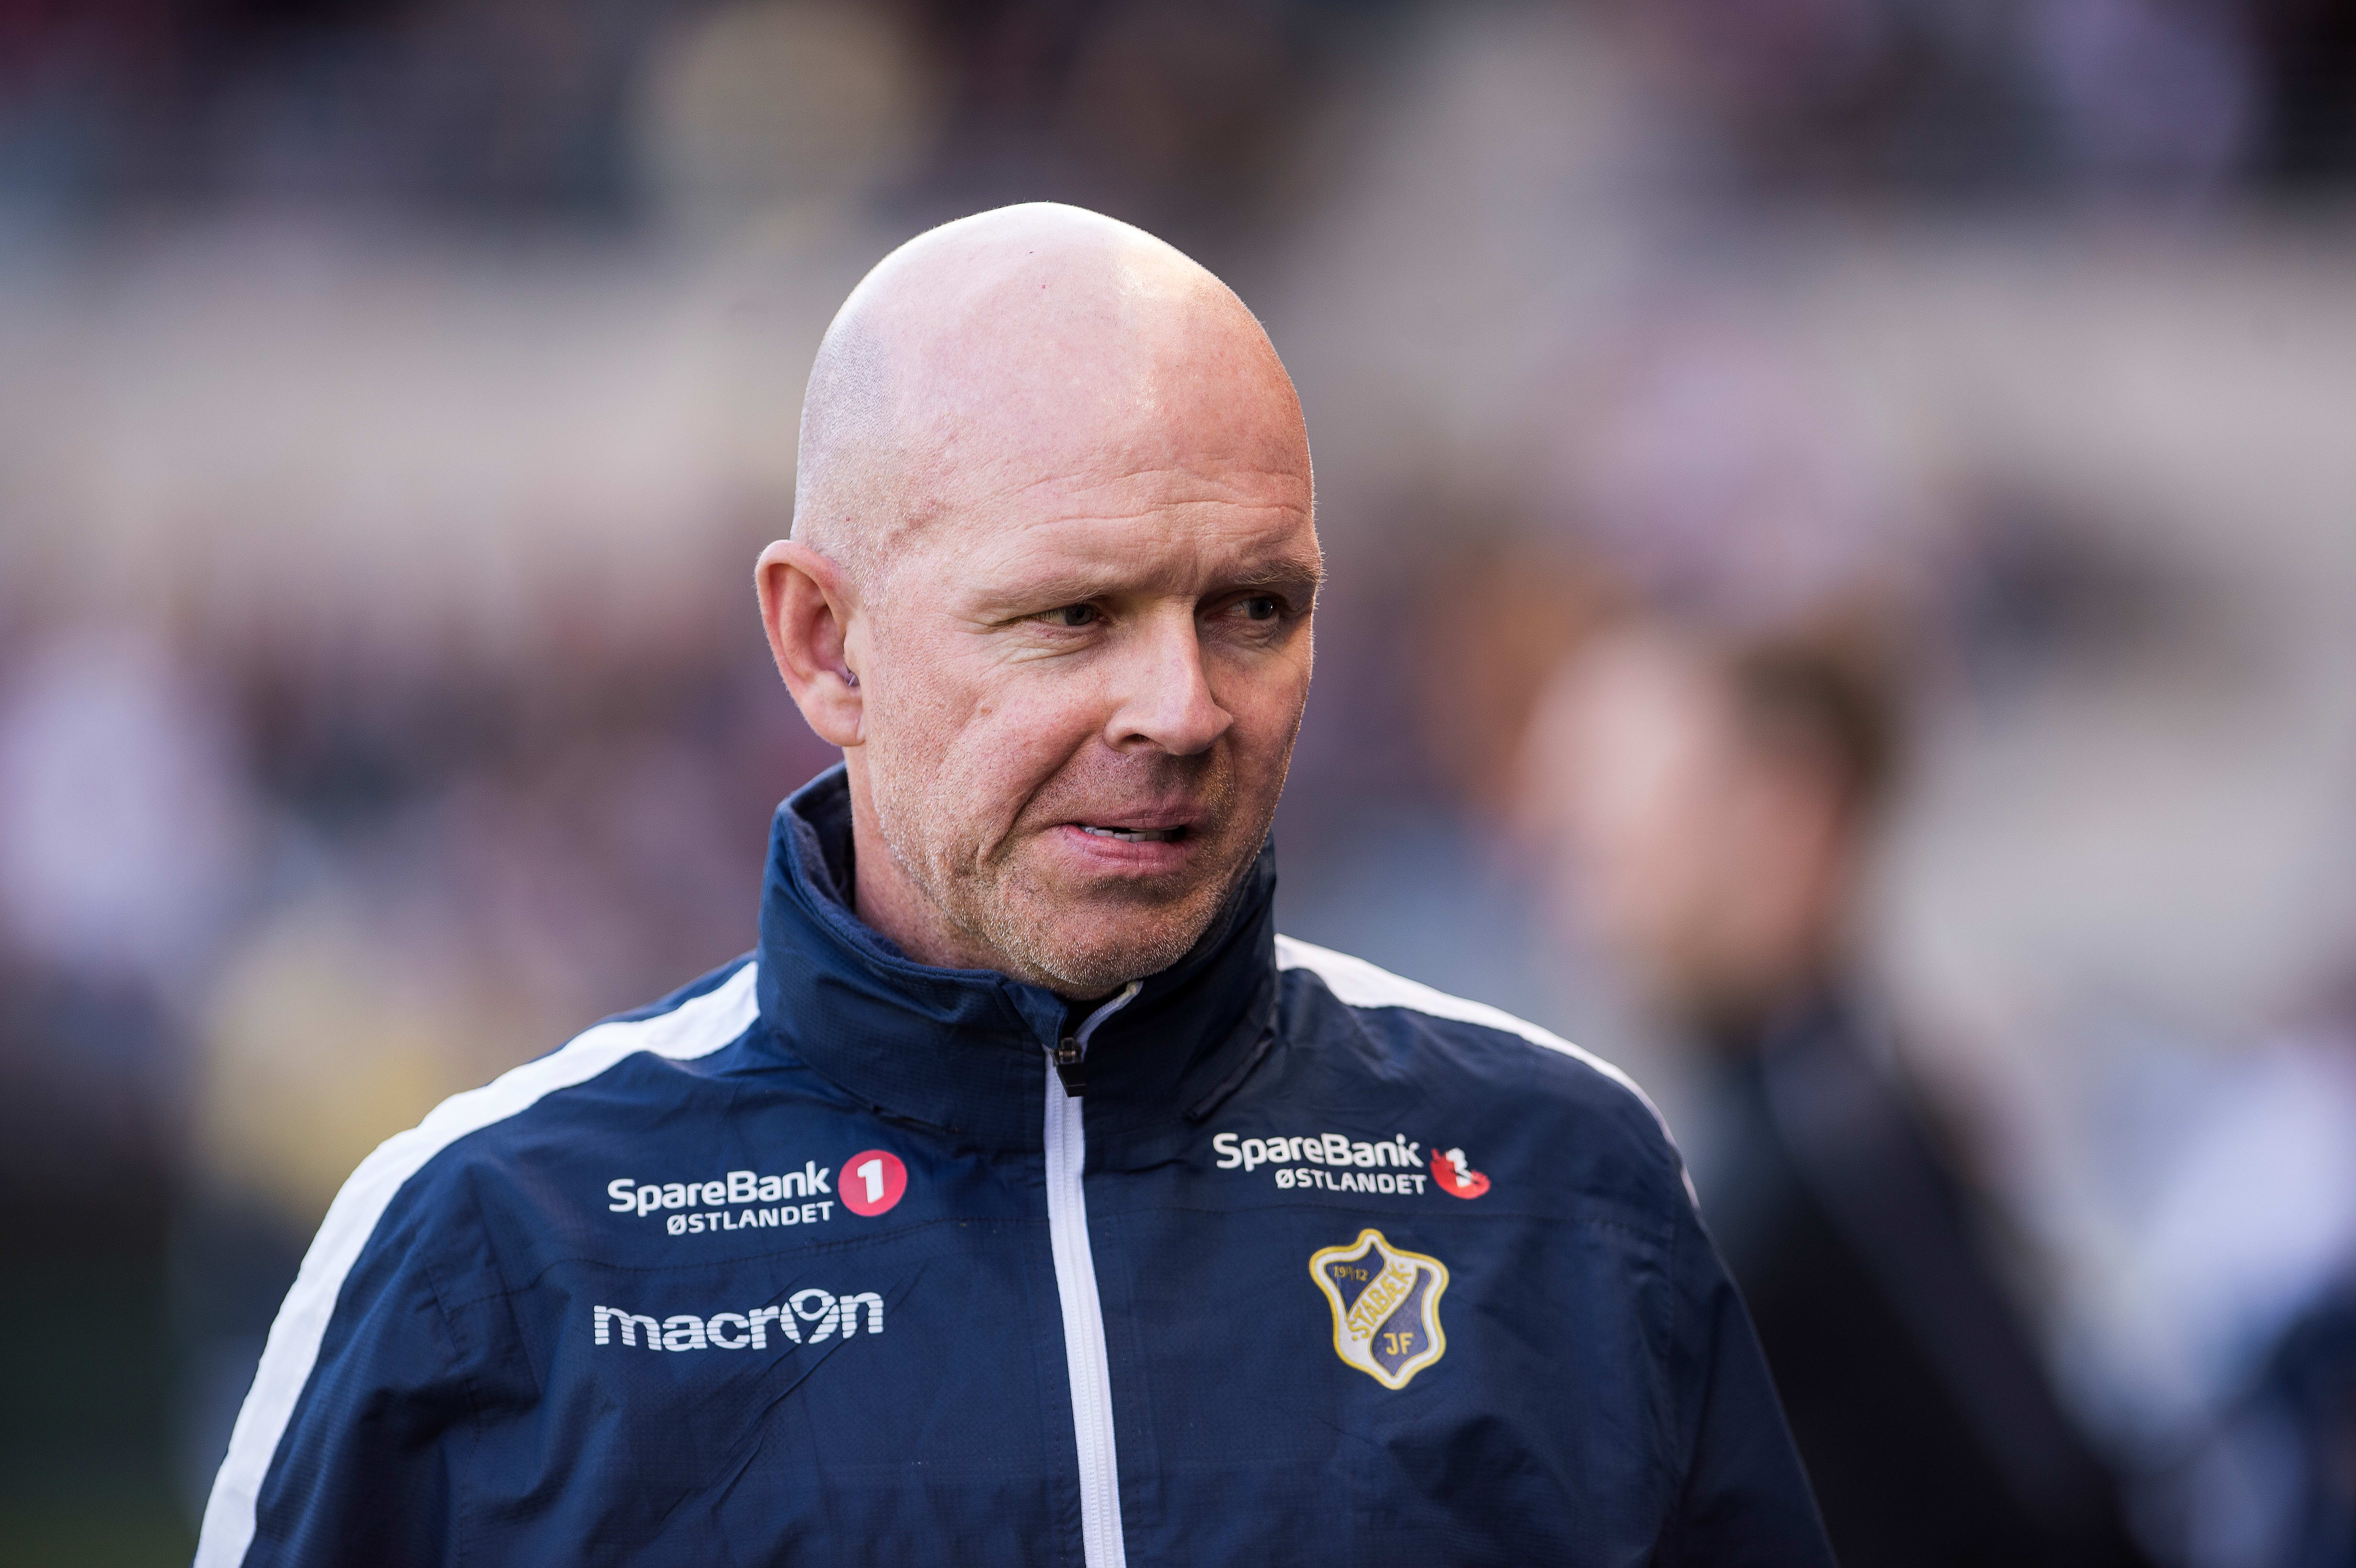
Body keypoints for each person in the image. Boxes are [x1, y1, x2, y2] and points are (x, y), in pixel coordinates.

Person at [195, 205, 1831, 1567]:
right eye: (1071, 616)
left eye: (1254, 609)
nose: (1182, 710)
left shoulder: (1563, 1184)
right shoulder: (487, 1250)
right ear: (824, 645)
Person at [1524, 614, 2148, 1568]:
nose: (1566, 852)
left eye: (1612, 798)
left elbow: (2056, 1498)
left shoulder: (1829, 1152)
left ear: (1786, 817)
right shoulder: (1784, 1129)